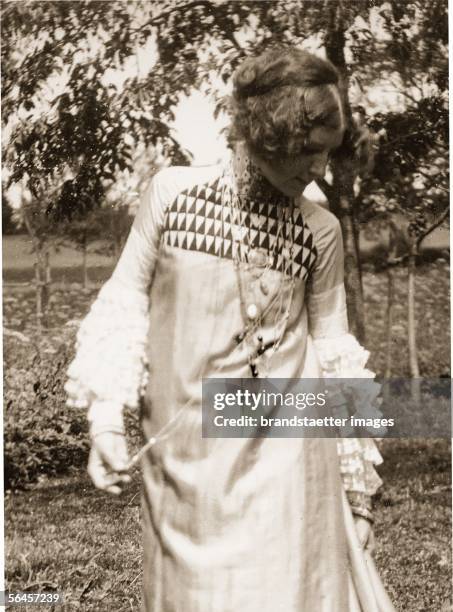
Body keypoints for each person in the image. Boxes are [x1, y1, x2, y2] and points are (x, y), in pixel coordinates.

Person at [66, 47, 396, 611]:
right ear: (268, 134)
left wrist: (357, 494)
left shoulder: (321, 231)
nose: (320, 169)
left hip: (292, 463)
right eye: (309, 151)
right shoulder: (173, 196)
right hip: (186, 470)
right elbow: (122, 306)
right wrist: (104, 423)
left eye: (328, 153)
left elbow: (334, 355)